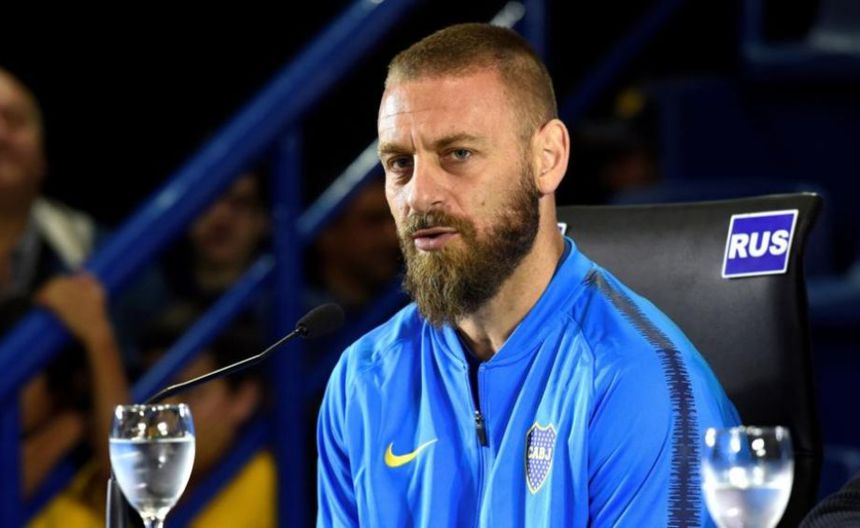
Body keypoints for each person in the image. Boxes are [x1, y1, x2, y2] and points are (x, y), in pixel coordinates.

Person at [316, 23, 740, 527]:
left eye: (458, 154)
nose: (419, 195)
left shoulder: (638, 384)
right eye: (399, 163)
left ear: (548, 159)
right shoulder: (363, 378)